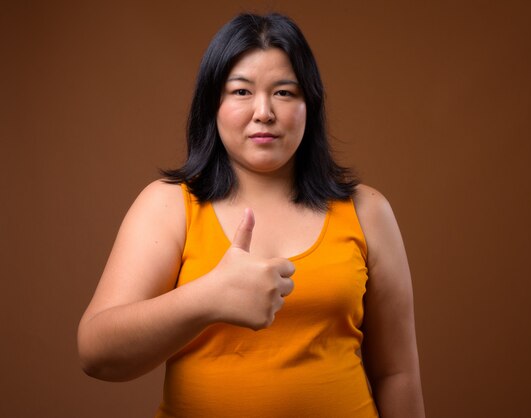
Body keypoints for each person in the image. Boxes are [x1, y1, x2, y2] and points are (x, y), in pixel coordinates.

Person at [77, 13, 425, 418]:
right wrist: (207, 298)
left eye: (284, 92)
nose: (264, 112)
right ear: (213, 105)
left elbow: (396, 373)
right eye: (241, 92)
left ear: (309, 104)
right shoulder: (170, 205)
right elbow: (96, 353)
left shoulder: (368, 210)